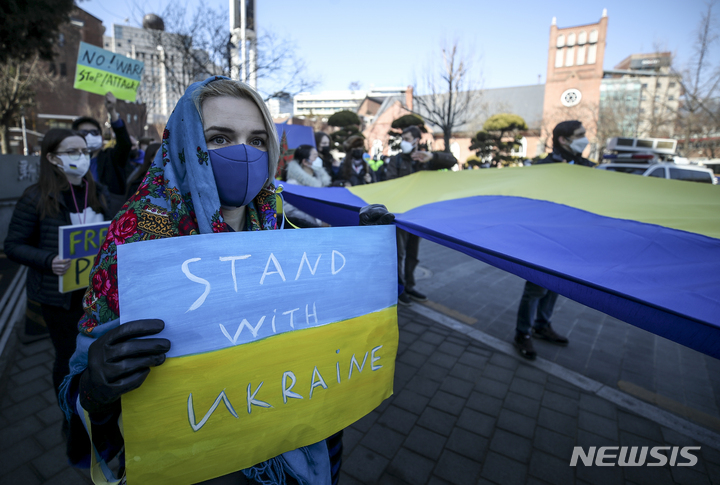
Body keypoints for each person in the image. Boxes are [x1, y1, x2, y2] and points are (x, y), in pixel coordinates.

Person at [58, 77, 392, 484]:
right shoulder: (135, 238)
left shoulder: (288, 235)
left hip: (294, 447)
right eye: (219, 138)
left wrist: (365, 265)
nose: (244, 154)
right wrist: (95, 389)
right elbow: (85, 390)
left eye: (257, 140)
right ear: (184, 145)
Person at [4, 129, 109, 409]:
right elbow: (13, 245)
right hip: (58, 297)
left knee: (94, 350)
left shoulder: (99, 192)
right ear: (52, 158)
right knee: (67, 355)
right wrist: (49, 260)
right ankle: (68, 410)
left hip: (95, 293)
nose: (81, 157)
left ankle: (92, 403)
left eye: (85, 151)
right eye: (72, 152)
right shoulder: (35, 197)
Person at [513, 120, 591, 359]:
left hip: (570, 238)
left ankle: (542, 325)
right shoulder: (542, 167)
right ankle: (522, 334)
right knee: (535, 288)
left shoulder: (587, 167)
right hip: (544, 238)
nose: (585, 139)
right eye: (580, 135)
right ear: (563, 140)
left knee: (554, 287)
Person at [385, 126, 457, 305]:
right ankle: (399, 288)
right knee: (399, 253)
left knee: (413, 253)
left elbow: (452, 160)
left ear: (417, 140)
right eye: (403, 138)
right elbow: (390, 184)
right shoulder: (397, 160)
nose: (404, 142)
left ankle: (410, 285)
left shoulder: (426, 159)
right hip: (400, 213)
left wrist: (432, 157)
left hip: (419, 214)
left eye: (407, 138)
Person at [71, 92, 132, 218]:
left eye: (94, 132)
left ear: (101, 136)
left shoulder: (111, 158)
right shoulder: (69, 161)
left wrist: (112, 111)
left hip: (111, 215)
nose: (89, 136)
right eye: (84, 132)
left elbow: (124, 143)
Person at [283, 144, 332, 227]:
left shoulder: (321, 181)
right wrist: (318, 223)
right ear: (305, 161)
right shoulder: (293, 184)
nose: (318, 160)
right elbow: (289, 210)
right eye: (315, 156)